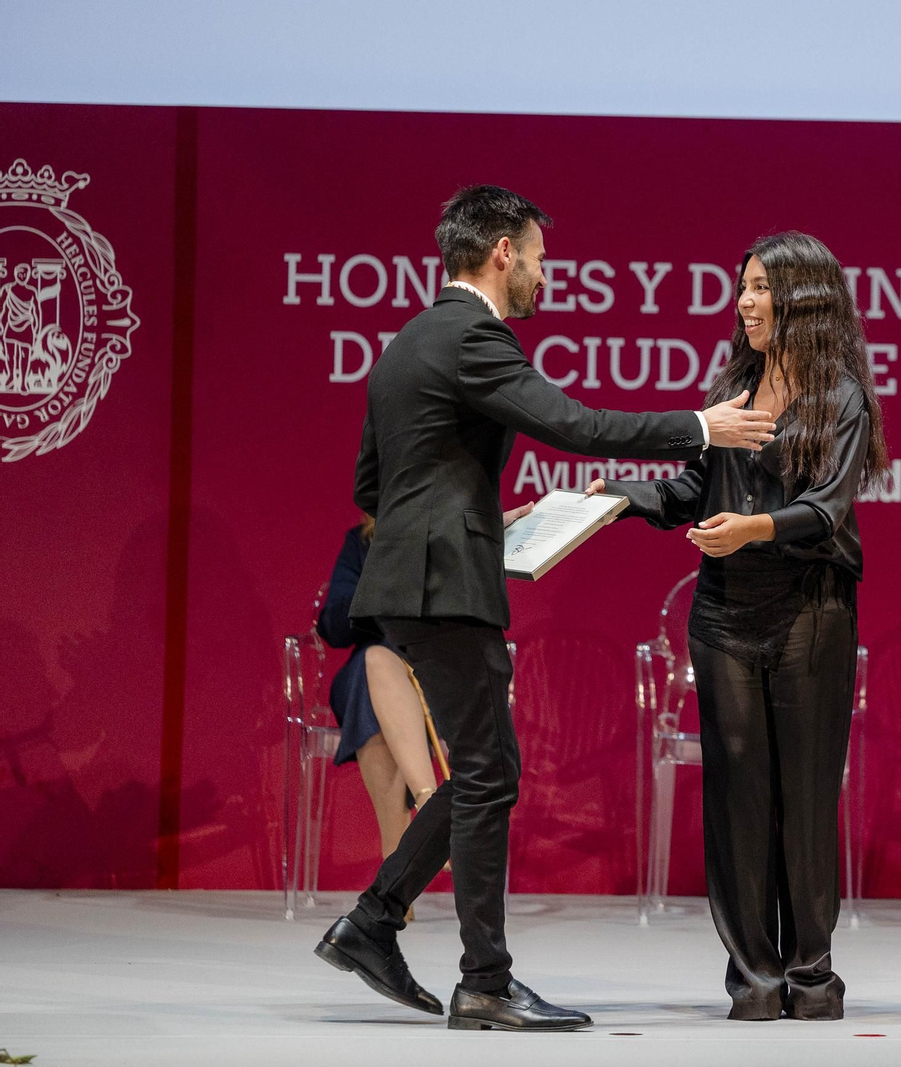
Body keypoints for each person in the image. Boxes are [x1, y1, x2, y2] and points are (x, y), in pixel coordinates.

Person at [312, 184, 778, 1033]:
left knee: (489, 772)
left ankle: (373, 923)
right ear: (501, 253)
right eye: (537, 256)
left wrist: (477, 521)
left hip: (415, 581)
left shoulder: (409, 338)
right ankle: (482, 979)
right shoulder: (473, 334)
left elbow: (371, 486)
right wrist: (701, 428)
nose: (542, 272)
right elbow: (576, 422)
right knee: (492, 774)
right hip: (442, 587)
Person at [589, 231, 889, 1022]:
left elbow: (826, 509)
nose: (746, 301)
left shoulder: (842, 398)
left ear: (805, 300)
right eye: (743, 287)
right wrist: (616, 495)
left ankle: (813, 976)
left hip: (808, 612)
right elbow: (693, 489)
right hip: (722, 614)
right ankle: (754, 978)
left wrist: (752, 528)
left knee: (805, 798)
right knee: (737, 804)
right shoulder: (731, 384)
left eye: (761, 287)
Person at [316, 515, 442, 863]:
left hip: (434, 671)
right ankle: (431, 809)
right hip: (368, 673)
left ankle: (395, 872)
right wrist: (382, 577)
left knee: (374, 702)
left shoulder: (445, 535)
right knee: (376, 663)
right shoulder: (363, 542)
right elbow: (334, 627)